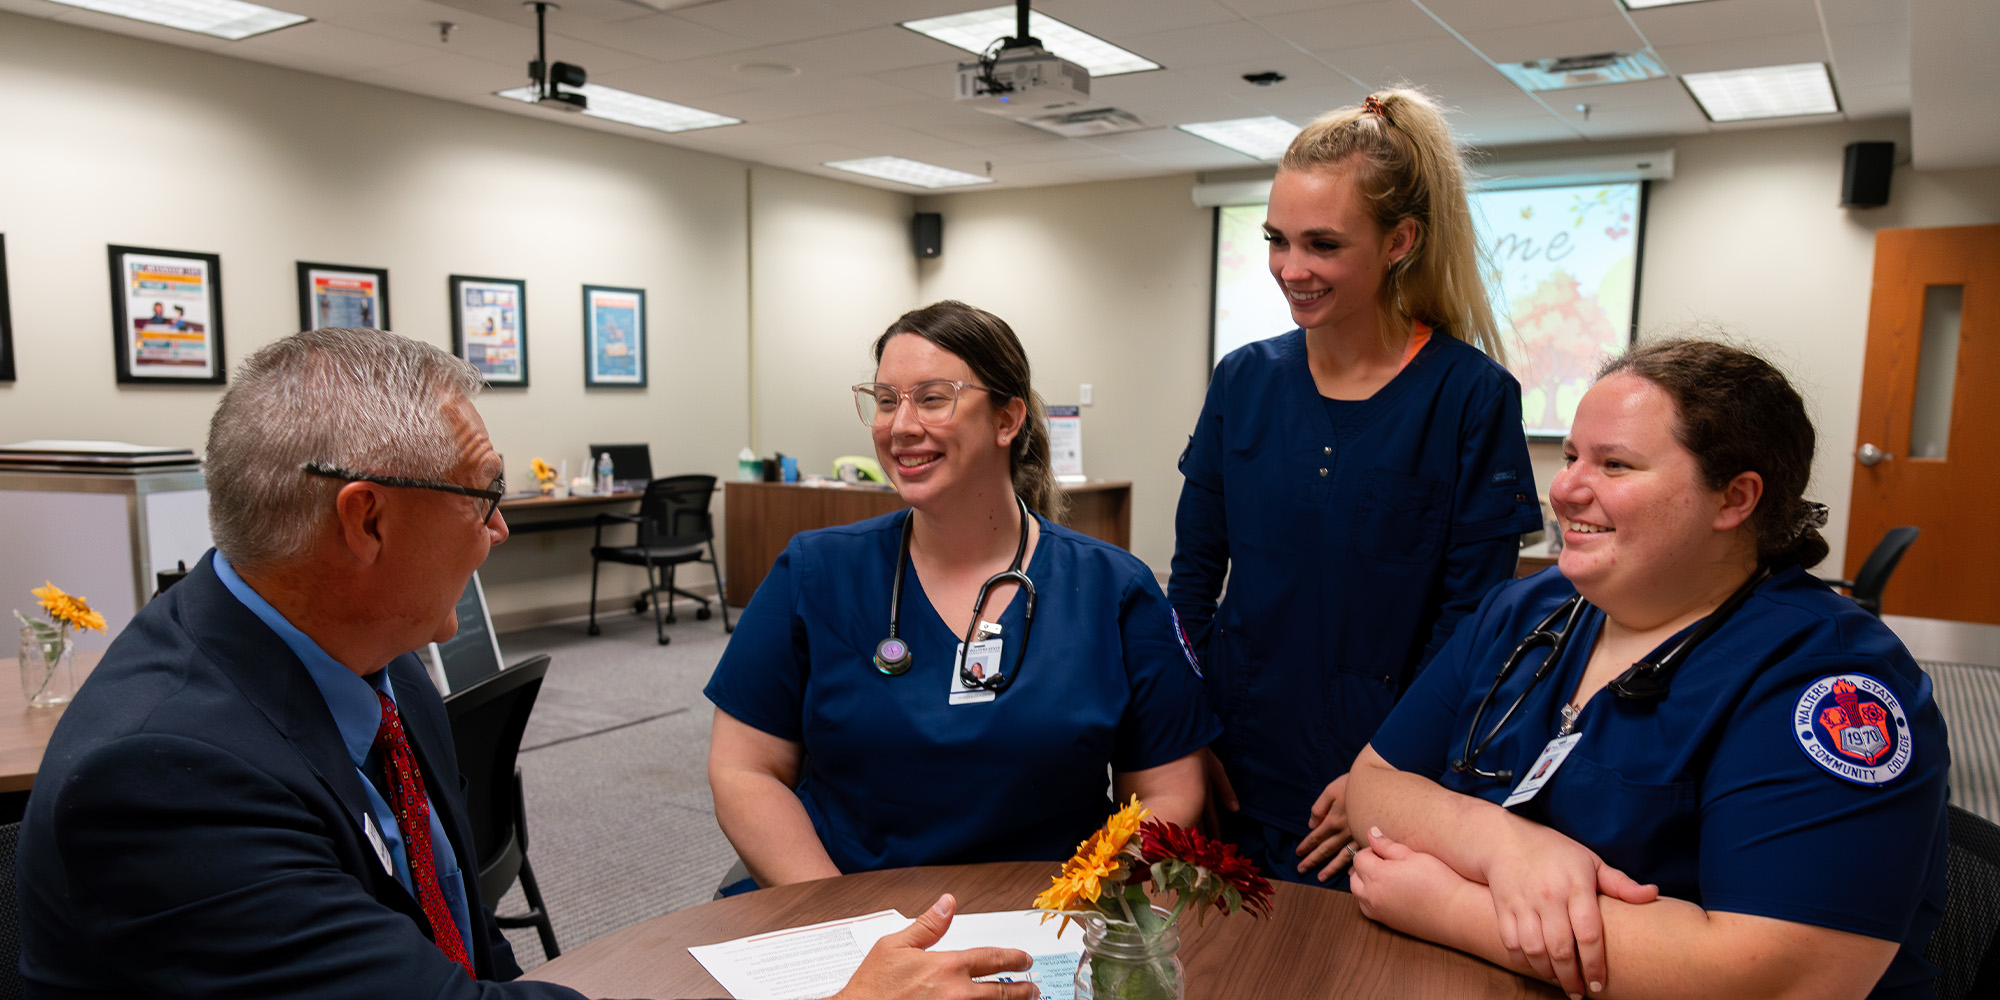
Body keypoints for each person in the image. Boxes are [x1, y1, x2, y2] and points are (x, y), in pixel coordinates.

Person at [17, 326, 1035, 1000]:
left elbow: (468, 950)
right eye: (482, 496)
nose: (499, 529)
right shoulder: (166, 775)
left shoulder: (382, 667)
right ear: (365, 520)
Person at [1344, 340, 1949, 1000]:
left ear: (1734, 498)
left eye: (1615, 465)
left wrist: (1453, 907)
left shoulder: (1826, 681)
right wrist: (1502, 844)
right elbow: (1372, 784)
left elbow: (1783, 975)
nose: (1564, 489)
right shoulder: (1524, 610)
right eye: (1571, 457)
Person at [707, 301, 1219, 888]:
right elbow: (744, 769)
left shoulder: (1114, 589)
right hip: (848, 905)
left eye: (932, 398)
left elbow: (1166, 790)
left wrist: (1081, 901)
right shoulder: (815, 572)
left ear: (1007, 420)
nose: (900, 426)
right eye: (886, 400)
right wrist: (842, 918)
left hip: (1048, 914)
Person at [1169, 88, 1542, 887]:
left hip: (1374, 781)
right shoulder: (1244, 381)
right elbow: (1193, 579)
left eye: (1323, 245)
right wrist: (1184, 736)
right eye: (1277, 240)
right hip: (1232, 764)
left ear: (1400, 241)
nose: (1291, 269)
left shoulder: (1471, 397)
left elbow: (1471, 622)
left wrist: (1388, 774)